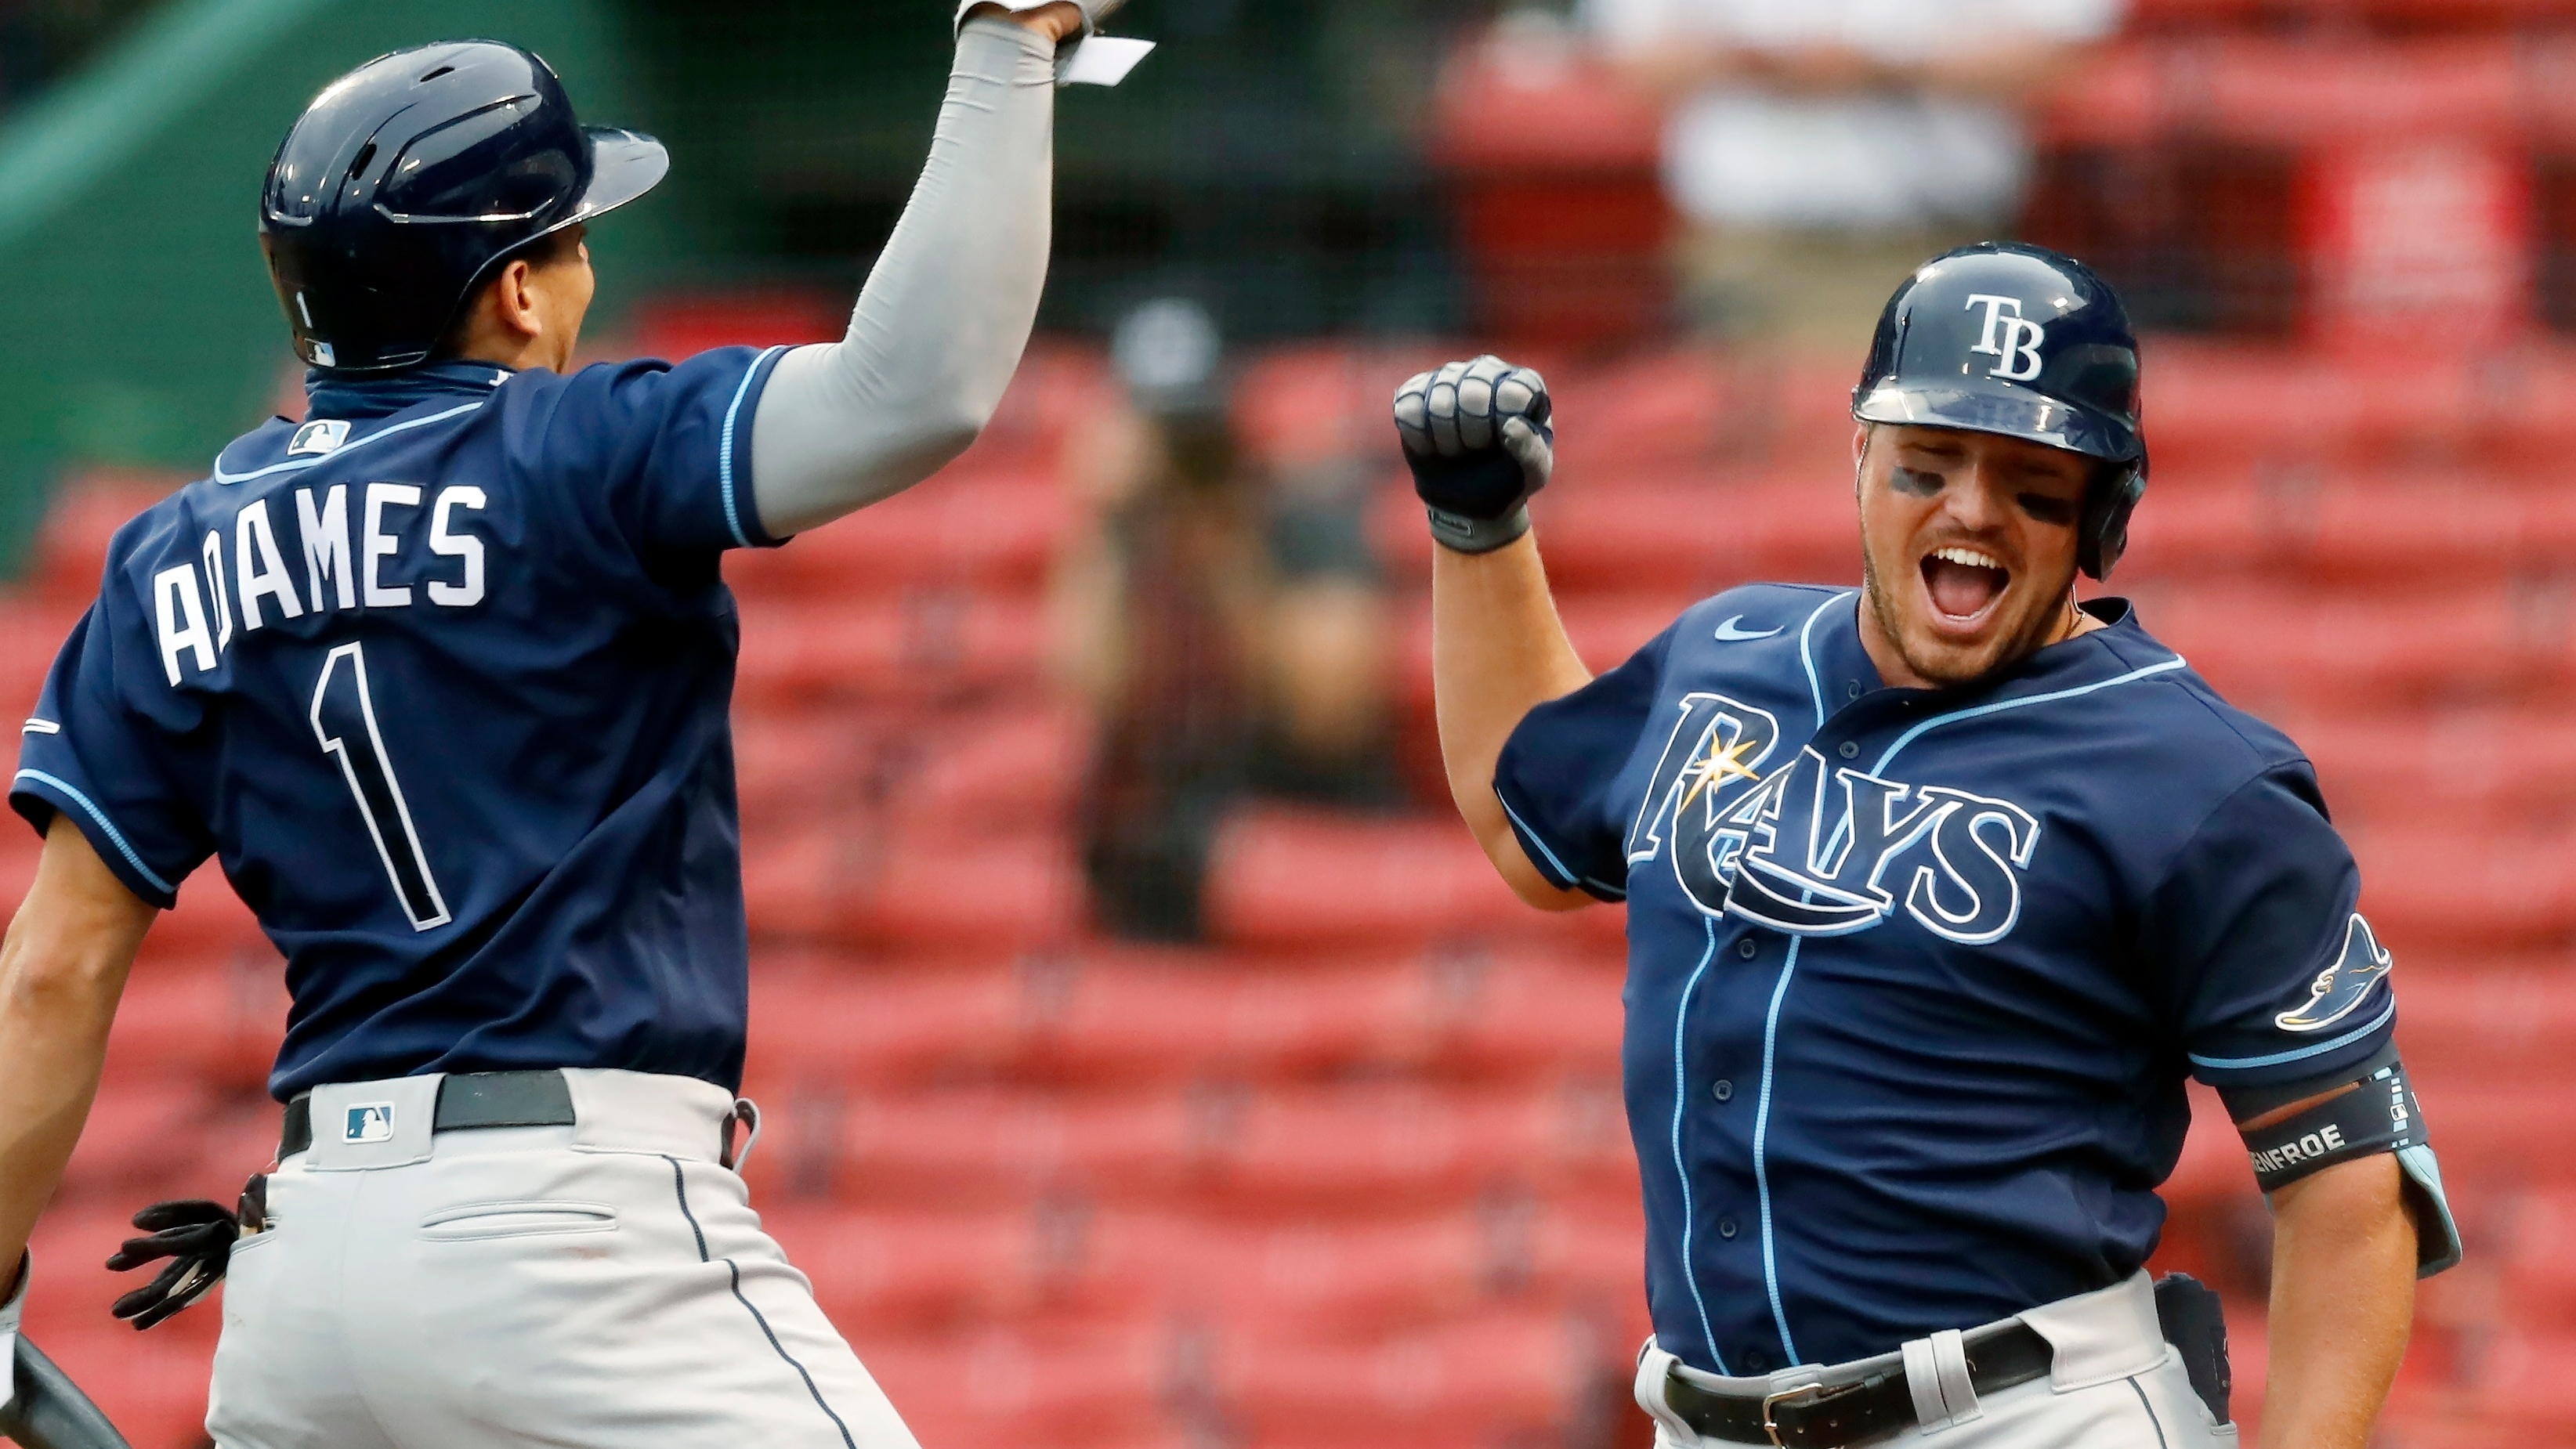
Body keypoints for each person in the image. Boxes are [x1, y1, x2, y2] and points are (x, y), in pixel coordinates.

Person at [0, 3, 1137, 1444]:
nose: (588, 268)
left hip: (305, 1284)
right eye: (573, 238)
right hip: (567, 1240)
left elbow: (51, 972)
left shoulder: (169, 556)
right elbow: (911, 387)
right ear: (518, 293)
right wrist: (1011, 45)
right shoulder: (575, 451)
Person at [1393, 243, 2460, 1449]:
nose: (1969, 507)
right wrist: (1479, 525)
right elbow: (1522, 819)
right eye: (1929, 462)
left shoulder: (2200, 779)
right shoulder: (1725, 654)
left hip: (2022, 1417)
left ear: (2103, 511)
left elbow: (2349, 1186)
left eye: (2027, 476)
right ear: (1859, 460)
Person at [1056, 298, 1395, 941]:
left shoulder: (1301, 517)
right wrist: (1106, 527)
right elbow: (1093, 687)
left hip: (1307, 822)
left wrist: (1226, 553)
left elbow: (1330, 709)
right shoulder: (1122, 539)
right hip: (1175, 839)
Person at [1582, 0, 2122, 349]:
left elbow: (2059, 55)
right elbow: (1635, 59)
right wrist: (1771, 63)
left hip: (1943, 243)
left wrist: (1883, 65)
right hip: (1751, 248)